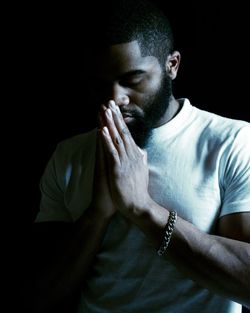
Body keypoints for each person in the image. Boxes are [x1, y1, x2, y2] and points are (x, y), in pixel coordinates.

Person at [31, 0, 250, 312]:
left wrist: (142, 208)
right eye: (101, 83)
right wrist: (97, 214)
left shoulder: (231, 141)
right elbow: (39, 294)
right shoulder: (69, 155)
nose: (115, 98)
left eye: (132, 79)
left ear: (172, 65)